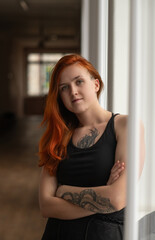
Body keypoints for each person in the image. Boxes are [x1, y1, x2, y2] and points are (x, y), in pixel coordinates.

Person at [38, 54, 145, 240]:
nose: (73, 91)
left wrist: (63, 191)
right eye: (64, 88)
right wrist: (103, 199)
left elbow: (117, 198)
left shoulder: (126, 125)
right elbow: (46, 206)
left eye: (79, 82)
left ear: (95, 84)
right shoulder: (59, 136)